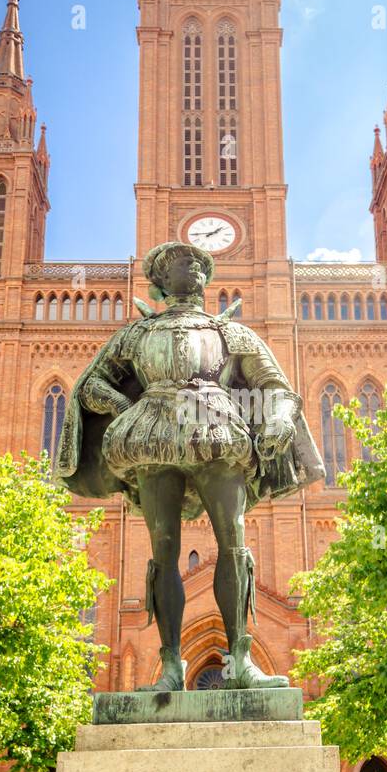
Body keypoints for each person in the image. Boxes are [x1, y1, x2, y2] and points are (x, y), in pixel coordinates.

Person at [56, 241, 325, 690]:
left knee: (233, 541)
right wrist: (124, 405)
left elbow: (275, 386)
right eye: (183, 263)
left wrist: (278, 417)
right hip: (153, 439)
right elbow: (92, 384)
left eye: (200, 265)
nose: (195, 268)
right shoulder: (137, 335)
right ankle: (172, 664)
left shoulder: (231, 333)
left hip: (216, 434)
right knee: (163, 552)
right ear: (161, 279)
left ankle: (240, 658)